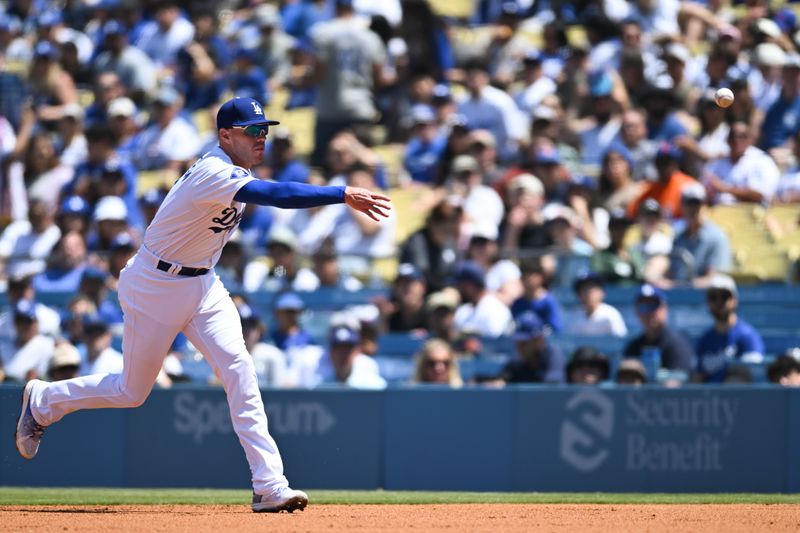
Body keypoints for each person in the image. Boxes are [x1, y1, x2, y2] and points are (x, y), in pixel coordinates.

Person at [15, 96, 391, 514]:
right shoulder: (214, 170)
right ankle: (45, 400)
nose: (261, 138)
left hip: (203, 284)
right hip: (156, 283)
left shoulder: (235, 168)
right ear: (225, 135)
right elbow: (277, 194)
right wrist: (341, 193)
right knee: (132, 391)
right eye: (253, 131)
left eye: (265, 130)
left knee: (239, 367)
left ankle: (269, 485)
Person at [694, 274, 765, 383]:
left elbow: (753, 375)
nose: (719, 302)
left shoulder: (747, 336)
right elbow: (697, 377)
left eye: (724, 296)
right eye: (713, 297)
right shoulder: (705, 340)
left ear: (734, 300)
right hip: (709, 398)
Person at [623, 284, 694, 373]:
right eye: (644, 307)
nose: (649, 313)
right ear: (637, 312)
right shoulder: (633, 346)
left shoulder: (676, 344)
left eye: (653, 305)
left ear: (664, 309)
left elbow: (677, 383)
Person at [501, 312, 565, 384]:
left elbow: (552, 385)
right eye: (517, 343)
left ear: (539, 340)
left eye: (524, 343)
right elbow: (502, 381)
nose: (519, 348)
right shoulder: (516, 361)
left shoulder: (553, 354)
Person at [566, 271, 628, 337]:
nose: (588, 294)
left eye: (592, 289)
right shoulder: (574, 317)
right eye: (584, 289)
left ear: (602, 292)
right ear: (578, 295)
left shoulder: (611, 314)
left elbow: (620, 341)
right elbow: (570, 344)